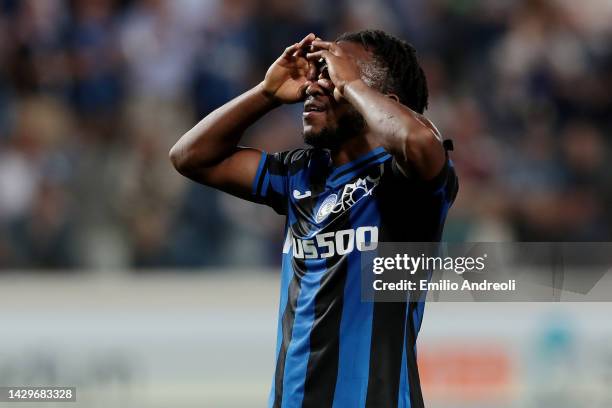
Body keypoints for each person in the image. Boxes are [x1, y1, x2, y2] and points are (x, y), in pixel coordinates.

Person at [170, 29, 458, 408]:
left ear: (385, 101)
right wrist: (265, 94)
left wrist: (350, 84)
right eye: (318, 72)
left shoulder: (407, 183)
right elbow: (190, 156)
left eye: (333, 74)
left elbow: (418, 143)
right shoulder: (299, 175)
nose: (315, 85)